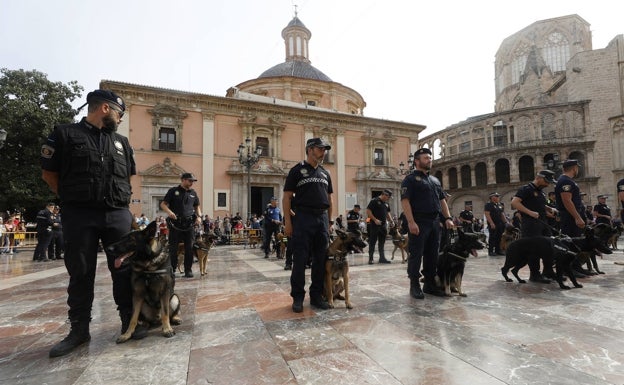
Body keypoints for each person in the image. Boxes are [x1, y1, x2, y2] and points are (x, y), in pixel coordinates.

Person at [42, 89, 138, 358]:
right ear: (105, 109)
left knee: (123, 268)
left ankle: (129, 321)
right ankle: (79, 330)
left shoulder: (122, 142)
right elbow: (49, 173)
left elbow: (128, 177)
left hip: (117, 213)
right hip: (80, 214)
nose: (120, 120)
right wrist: (73, 198)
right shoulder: (65, 134)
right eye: (119, 114)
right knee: (81, 271)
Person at [283, 137, 333, 313]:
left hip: (322, 219)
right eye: (320, 149)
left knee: (320, 260)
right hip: (303, 218)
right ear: (310, 149)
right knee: (300, 259)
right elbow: (287, 197)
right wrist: (288, 222)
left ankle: (316, 296)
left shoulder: (326, 173)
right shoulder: (297, 171)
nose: (323, 152)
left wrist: (329, 222)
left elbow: (329, 199)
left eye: (324, 149)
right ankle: (297, 297)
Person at [401, 148, 453, 299]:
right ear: (417, 161)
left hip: (435, 222)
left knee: (433, 254)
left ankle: (429, 284)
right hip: (419, 221)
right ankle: (414, 285)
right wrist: (411, 222)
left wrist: (448, 218)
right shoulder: (410, 179)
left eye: (430, 158)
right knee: (416, 254)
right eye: (425, 158)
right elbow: (405, 201)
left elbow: (442, 200)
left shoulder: (435, 180)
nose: (429, 160)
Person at [510, 169, 557, 282]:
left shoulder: (541, 191)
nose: (548, 184)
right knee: (534, 250)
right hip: (531, 224)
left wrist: (549, 208)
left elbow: (539, 204)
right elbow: (514, 203)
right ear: (539, 178)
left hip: (543, 223)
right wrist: (530, 212)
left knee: (549, 247)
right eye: (546, 181)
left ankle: (548, 271)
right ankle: (535, 274)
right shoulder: (526, 189)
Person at [160, 172, 203, 278]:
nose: (192, 182)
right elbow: (163, 204)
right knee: (173, 248)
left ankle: (188, 270)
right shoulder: (173, 191)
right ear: (183, 180)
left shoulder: (193, 193)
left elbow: (197, 206)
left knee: (189, 248)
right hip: (175, 224)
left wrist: (199, 216)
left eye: (193, 181)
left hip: (189, 224)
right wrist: (169, 212)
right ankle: (172, 269)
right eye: (190, 180)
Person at [555, 159, 585, 237]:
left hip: (570, 215)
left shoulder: (566, 180)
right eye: (577, 168)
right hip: (569, 216)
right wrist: (577, 217)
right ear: (574, 168)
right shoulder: (566, 181)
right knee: (573, 240)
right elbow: (567, 201)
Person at [366, 189, 394, 264]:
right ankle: (371, 259)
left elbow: (388, 212)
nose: (388, 199)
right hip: (375, 225)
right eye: (388, 197)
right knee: (372, 242)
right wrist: (375, 220)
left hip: (383, 225)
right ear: (384, 195)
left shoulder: (386, 203)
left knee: (382, 242)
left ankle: (382, 258)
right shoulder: (374, 201)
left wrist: (391, 221)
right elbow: (368, 211)